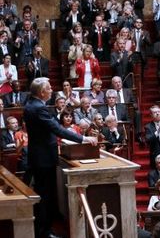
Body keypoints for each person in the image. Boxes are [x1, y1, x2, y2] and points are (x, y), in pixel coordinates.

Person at [24, 77, 97, 238]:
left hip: (39, 156)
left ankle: (44, 229)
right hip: (43, 159)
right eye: (49, 88)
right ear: (42, 92)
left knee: (45, 195)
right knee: (45, 196)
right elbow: (58, 130)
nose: (52, 90)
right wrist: (84, 139)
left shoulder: (31, 104)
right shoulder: (39, 108)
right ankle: (44, 232)